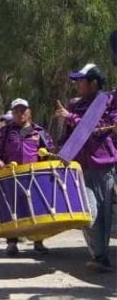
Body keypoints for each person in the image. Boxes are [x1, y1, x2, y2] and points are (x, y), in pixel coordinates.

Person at [54, 64, 116, 272]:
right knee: (87, 211)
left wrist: (70, 117)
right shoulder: (75, 105)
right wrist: (59, 150)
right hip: (79, 167)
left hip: (103, 166)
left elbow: (98, 130)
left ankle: (102, 257)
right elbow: (70, 135)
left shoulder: (108, 102)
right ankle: (98, 254)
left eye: (81, 81)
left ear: (94, 83)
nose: (77, 84)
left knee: (104, 215)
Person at [0, 98, 55, 257]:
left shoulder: (39, 132)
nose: (20, 114)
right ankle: (12, 243)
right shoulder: (5, 132)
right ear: (12, 113)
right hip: (11, 177)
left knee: (36, 209)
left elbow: (50, 151)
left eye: (23, 110)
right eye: (16, 111)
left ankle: (38, 242)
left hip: (34, 177)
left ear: (29, 112)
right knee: (12, 210)